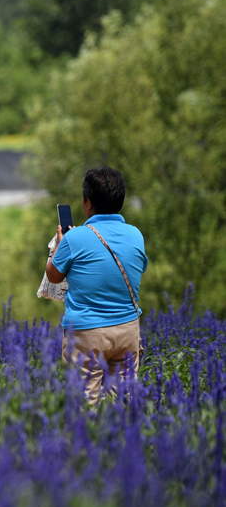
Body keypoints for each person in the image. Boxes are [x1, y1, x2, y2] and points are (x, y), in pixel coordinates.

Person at [45, 166, 148, 404]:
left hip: (86, 334)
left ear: (87, 203)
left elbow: (53, 277)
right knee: (121, 406)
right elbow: (138, 269)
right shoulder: (136, 235)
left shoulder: (74, 237)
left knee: (83, 408)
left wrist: (58, 248)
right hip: (127, 331)